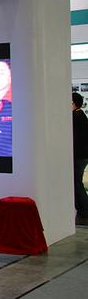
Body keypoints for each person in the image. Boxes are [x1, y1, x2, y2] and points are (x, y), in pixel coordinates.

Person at [71, 93, 88, 225]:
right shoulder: (81, 116)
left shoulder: (76, 117)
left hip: (78, 156)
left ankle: (84, 212)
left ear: (73, 103)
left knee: (77, 184)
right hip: (82, 156)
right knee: (77, 183)